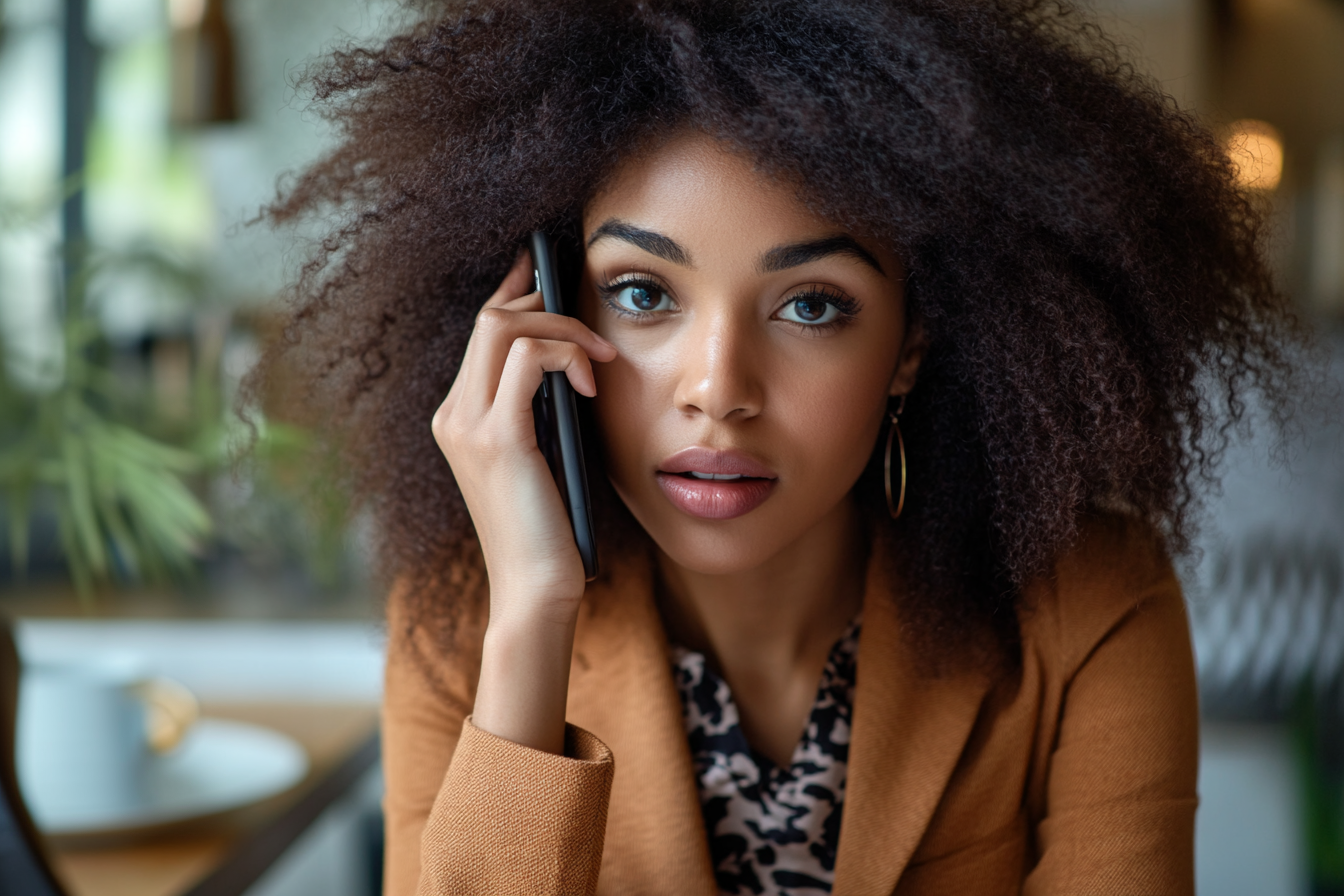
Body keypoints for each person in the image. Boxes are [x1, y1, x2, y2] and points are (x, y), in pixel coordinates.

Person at [248, 0, 1303, 892]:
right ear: (549, 313)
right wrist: (532, 617)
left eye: (811, 305)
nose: (718, 391)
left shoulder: (1091, 605)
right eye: (643, 293)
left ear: (910, 345)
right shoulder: (466, 620)